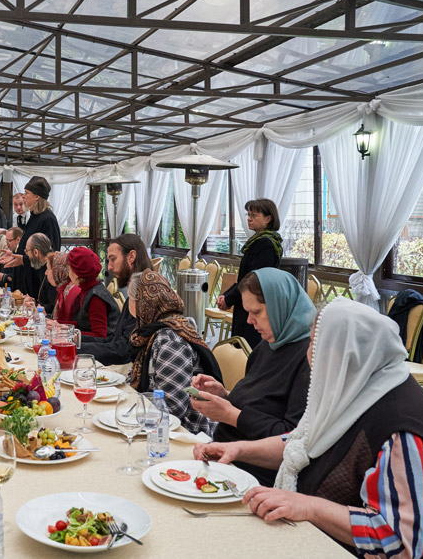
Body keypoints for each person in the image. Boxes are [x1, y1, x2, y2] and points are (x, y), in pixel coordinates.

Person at [194, 297, 423, 558]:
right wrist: (238, 449)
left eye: (314, 343)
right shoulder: (360, 389)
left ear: (345, 353)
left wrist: (308, 506)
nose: (308, 353)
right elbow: (303, 443)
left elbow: (397, 540)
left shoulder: (403, 429)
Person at [191, 268, 315, 486]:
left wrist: (231, 415)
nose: (249, 321)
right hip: (225, 458)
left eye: (256, 312)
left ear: (280, 308)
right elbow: (262, 402)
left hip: (255, 475)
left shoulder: (308, 359)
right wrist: (224, 394)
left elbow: (291, 439)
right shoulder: (269, 344)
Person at [127, 270, 221, 434]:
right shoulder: (153, 331)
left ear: (142, 303)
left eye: (130, 298)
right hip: (160, 425)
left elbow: (171, 408)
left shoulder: (170, 339)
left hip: (188, 432)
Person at [216, 198, 282, 348]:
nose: (249, 219)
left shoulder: (265, 243)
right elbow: (244, 277)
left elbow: (253, 280)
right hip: (245, 302)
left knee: (246, 349)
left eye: (254, 215)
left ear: (268, 218)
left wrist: (229, 299)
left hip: (254, 305)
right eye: (248, 215)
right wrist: (226, 296)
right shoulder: (257, 241)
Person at [80, 234, 152, 366]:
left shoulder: (146, 297)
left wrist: (74, 347)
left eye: (113, 259)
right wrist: (74, 341)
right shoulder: (136, 291)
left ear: (131, 256)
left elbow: (122, 352)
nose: (110, 267)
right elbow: (113, 341)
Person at [0, 177, 61, 300]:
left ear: (37, 196)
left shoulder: (47, 219)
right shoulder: (35, 216)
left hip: (37, 282)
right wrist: (15, 255)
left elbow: (49, 256)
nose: (23, 197)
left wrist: (23, 259)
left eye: (26, 193)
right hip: (26, 278)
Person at [58, 247, 119, 338]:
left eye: (70, 269)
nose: (68, 273)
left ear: (77, 273)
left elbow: (99, 336)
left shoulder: (96, 298)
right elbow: (84, 324)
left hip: (102, 348)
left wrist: (67, 333)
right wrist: (59, 325)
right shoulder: (87, 289)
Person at [18, 233, 57, 312]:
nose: (27, 255)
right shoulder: (43, 265)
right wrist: (33, 302)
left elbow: (54, 307)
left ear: (36, 252)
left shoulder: (53, 270)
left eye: (27, 251)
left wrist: (34, 305)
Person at [46, 251, 78, 323]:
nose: (46, 273)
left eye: (48, 269)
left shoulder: (72, 292)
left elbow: (75, 325)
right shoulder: (63, 289)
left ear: (57, 271)